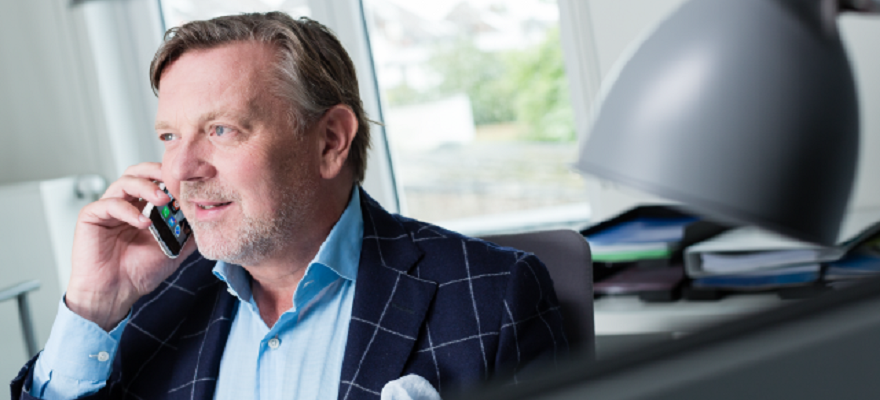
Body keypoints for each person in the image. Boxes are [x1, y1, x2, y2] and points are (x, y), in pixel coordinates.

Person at [11, 12, 567, 400]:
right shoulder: (144, 309)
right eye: (169, 137)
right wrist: (94, 306)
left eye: (222, 130)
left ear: (330, 142)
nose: (181, 170)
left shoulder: (494, 298)